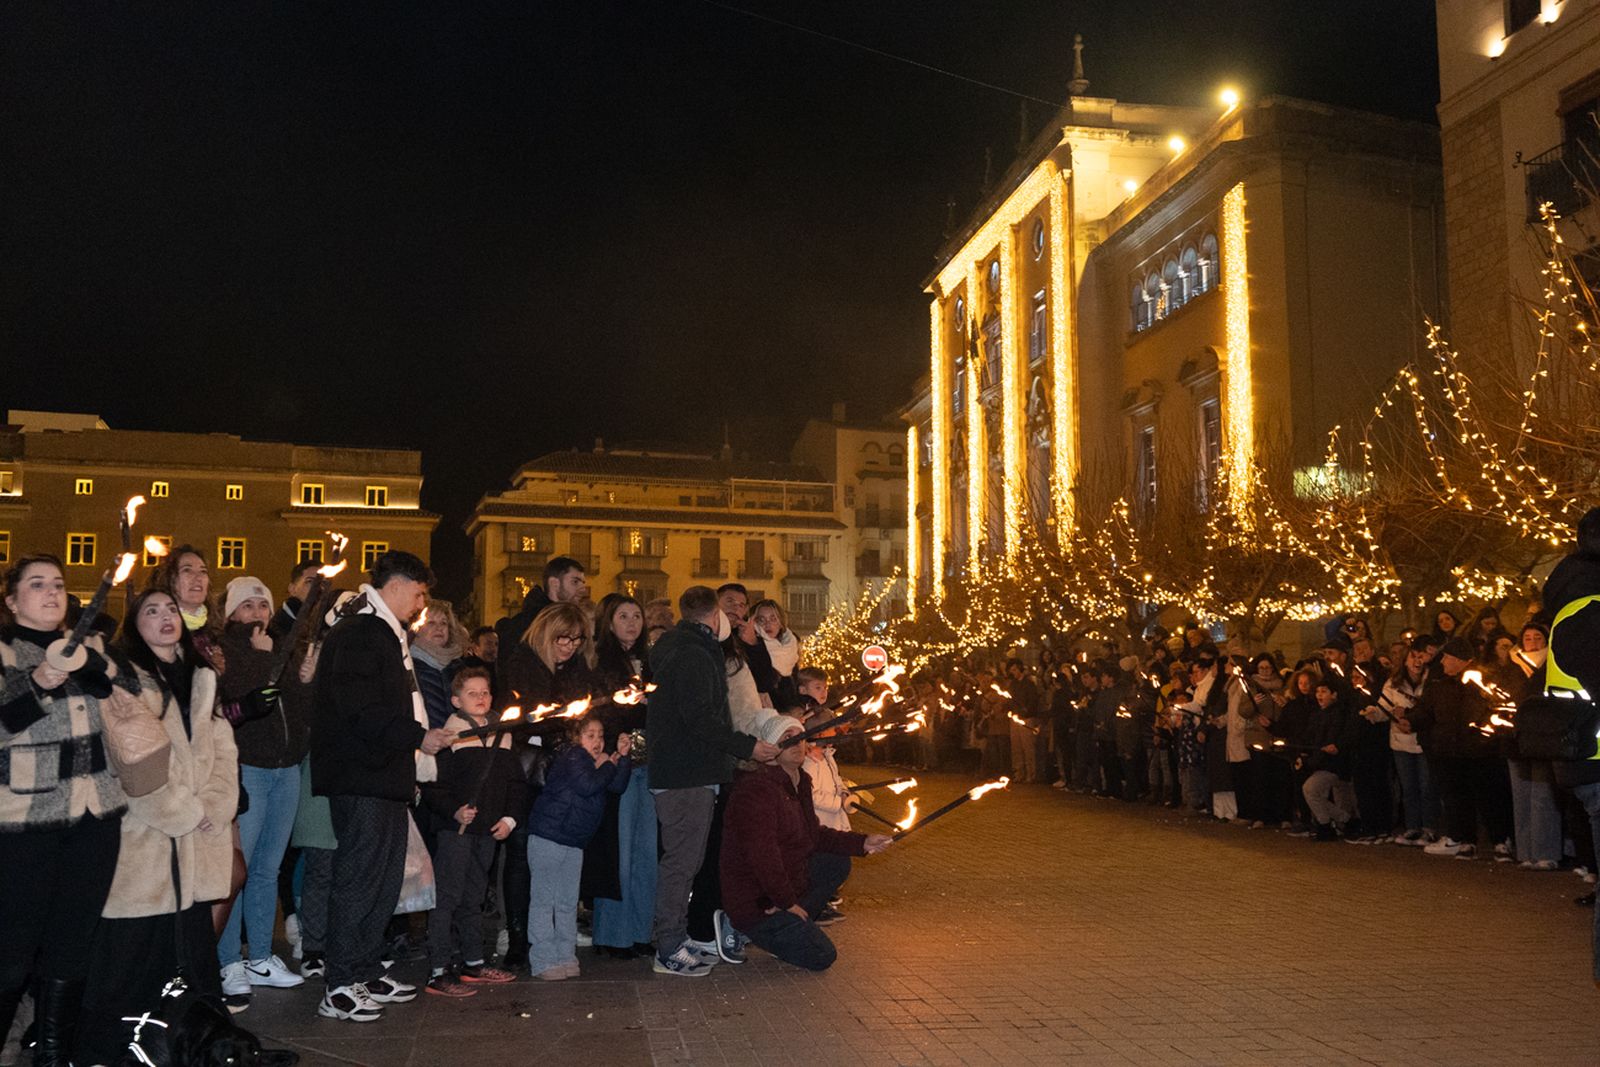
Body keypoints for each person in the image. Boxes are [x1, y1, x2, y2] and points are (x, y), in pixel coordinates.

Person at [76, 589, 239, 1064]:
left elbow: (225, 748)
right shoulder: (124, 679)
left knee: (190, 957)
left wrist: (215, 803)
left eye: (171, 610)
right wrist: (184, 812)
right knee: (133, 960)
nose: (166, 617)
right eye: (152, 611)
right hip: (145, 841)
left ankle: (189, 1047)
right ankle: (116, 1050)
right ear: (134, 624)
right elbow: (134, 764)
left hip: (196, 838)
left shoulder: (202, 677)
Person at [1, 555, 151, 1066]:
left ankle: (53, 1053)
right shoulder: (4, 651)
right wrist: (36, 682)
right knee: (13, 949)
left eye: (59, 585)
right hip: (24, 824)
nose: (50, 593)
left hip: (95, 817)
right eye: (36, 584)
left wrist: (95, 664)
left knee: (72, 943)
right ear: (11, 599)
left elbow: (145, 698)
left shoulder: (91, 647)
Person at [309, 550, 454, 1022]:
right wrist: (418, 737)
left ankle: (365, 968)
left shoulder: (385, 633)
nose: (421, 603)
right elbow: (361, 709)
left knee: (384, 881)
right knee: (359, 881)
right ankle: (339, 984)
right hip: (361, 775)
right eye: (418, 592)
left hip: (386, 776)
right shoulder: (362, 632)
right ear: (397, 585)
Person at [647, 585, 779, 977]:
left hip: (688, 771)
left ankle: (677, 936)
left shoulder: (684, 649)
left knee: (687, 859)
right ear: (713, 616)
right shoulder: (693, 654)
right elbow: (701, 718)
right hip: (687, 773)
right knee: (682, 862)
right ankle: (668, 946)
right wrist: (747, 747)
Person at [719, 716, 892, 971]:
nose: (795, 743)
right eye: (786, 738)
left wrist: (863, 843)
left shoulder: (800, 782)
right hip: (757, 902)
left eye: (798, 736)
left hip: (783, 890)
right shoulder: (756, 789)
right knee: (822, 956)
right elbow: (762, 855)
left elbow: (814, 836)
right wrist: (785, 901)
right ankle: (747, 928)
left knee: (834, 863)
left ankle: (792, 925)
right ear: (770, 749)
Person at [215, 576, 308, 1011]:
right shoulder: (227, 651)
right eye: (248, 605)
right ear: (231, 613)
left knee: (268, 871)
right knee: (239, 870)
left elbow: (295, 704)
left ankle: (260, 957)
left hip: (285, 770)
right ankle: (228, 959)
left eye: (263, 605)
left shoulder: (278, 647)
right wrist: (264, 659)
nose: (258, 613)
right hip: (249, 768)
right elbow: (242, 699)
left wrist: (300, 675)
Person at [420, 667, 523, 997]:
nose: (481, 698)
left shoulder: (503, 734)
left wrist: (510, 818)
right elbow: (432, 785)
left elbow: (516, 784)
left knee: (474, 897)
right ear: (455, 700)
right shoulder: (451, 737)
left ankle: (473, 962)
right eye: (472, 693)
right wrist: (454, 810)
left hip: (487, 831)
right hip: (457, 830)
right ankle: (438, 969)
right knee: (447, 896)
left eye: (485, 692)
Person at [526, 716, 632, 980]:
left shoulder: (596, 764)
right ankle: (542, 961)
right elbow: (587, 786)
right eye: (590, 735)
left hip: (573, 841)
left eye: (601, 735)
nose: (597, 742)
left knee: (566, 902)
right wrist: (608, 763)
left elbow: (617, 785)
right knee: (544, 901)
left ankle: (565, 956)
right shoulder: (573, 756)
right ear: (577, 738)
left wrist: (623, 758)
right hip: (548, 837)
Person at [589, 596, 657, 959]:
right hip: (620, 763)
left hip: (651, 764)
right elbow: (597, 709)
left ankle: (641, 931)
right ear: (609, 622)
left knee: (646, 852)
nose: (632, 622)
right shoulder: (600, 661)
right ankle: (613, 935)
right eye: (623, 616)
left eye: (637, 615)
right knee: (619, 850)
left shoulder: (653, 661)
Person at [1413, 638, 1513, 860]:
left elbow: (1498, 711)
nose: (1443, 662)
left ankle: (1500, 840)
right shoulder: (1439, 683)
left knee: (1489, 798)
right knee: (1456, 797)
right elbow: (1425, 711)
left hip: (1480, 751)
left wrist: (1485, 735)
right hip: (1449, 751)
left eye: (1447, 658)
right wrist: (1410, 720)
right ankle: (1465, 840)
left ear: (1460, 660)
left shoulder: (1483, 683)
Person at [493, 556, 588, 690]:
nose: (582, 589)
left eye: (583, 583)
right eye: (575, 582)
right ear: (554, 583)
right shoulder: (523, 625)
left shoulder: (576, 623)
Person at [1381, 639, 1438, 845]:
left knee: (1426, 786)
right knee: (1409, 787)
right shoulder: (1393, 684)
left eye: (1420, 657)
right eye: (1412, 657)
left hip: (1422, 742)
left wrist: (1409, 714)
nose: (1417, 661)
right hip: (1401, 742)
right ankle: (1412, 826)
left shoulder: (1431, 681)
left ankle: (1429, 827)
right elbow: (1384, 706)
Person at [410, 599, 465, 729]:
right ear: (417, 628)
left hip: (459, 742)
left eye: (443, 623)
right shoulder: (409, 665)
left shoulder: (459, 667)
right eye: (431, 623)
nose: (439, 628)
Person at [751, 599, 800, 708]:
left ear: (781, 623)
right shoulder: (752, 649)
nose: (768, 624)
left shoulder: (790, 648)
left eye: (773, 619)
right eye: (761, 620)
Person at [267, 560, 319, 643]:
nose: (318, 587)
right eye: (310, 581)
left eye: (323, 582)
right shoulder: (274, 631)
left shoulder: (328, 625)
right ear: (292, 589)